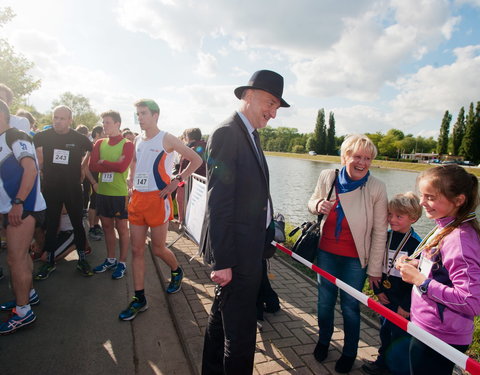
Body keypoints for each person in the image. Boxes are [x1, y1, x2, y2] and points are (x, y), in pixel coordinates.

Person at [200, 69, 290, 374]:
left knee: (220, 317)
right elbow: (218, 202)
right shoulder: (228, 133)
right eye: (270, 103)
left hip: (249, 250)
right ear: (248, 96)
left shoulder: (249, 134)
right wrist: (222, 261)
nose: (273, 113)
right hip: (236, 256)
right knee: (240, 336)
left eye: (277, 107)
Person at [308, 134, 388, 373]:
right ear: (345, 157)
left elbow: (380, 232)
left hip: (355, 259)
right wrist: (317, 204)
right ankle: (324, 341)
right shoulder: (328, 176)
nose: (362, 162)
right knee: (324, 303)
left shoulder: (376, 187)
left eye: (367, 158)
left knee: (351, 307)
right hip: (326, 253)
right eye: (357, 156)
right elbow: (311, 201)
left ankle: (350, 352)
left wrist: (374, 269)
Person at [118, 99, 202, 321]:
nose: (140, 118)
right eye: (138, 114)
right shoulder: (136, 139)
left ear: (155, 115)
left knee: (157, 249)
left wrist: (178, 180)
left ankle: (176, 270)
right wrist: (130, 179)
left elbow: (196, 159)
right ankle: (139, 299)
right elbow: (135, 162)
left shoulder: (167, 138)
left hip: (158, 200)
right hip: (137, 200)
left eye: (143, 113)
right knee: (136, 251)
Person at [396, 165, 480, 375]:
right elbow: (445, 270)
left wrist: (421, 281)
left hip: (441, 336)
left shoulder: (459, 239)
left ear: (458, 200)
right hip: (429, 328)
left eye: (430, 197)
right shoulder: (446, 225)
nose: (422, 202)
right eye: (422, 195)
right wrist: (419, 266)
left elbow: (471, 301)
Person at [362, 192, 422, 375]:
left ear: (413, 218)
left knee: (400, 336)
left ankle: (397, 370)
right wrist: (379, 291)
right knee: (385, 331)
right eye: (390, 214)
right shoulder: (384, 236)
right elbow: (376, 265)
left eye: (398, 216)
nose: (392, 219)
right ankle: (382, 363)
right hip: (386, 297)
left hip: (403, 302)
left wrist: (406, 305)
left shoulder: (416, 245)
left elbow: (418, 280)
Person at [0, 99, 46, 334]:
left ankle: (23, 311)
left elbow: (30, 169)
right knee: (21, 257)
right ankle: (27, 295)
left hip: (23, 208)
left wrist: (18, 202)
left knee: (15, 260)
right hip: (13, 208)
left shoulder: (15, 135)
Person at [33, 105, 94, 279]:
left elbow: (92, 148)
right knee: (51, 225)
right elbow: (35, 151)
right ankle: (49, 262)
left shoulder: (78, 137)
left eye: (62, 118)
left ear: (69, 120)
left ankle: (82, 260)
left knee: (77, 223)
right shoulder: (42, 136)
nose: (57, 121)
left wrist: (83, 166)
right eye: (55, 117)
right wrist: (42, 166)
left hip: (73, 188)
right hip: (51, 188)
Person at [89, 110, 133, 279]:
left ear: (117, 124)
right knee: (106, 226)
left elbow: (122, 168)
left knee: (121, 228)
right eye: (103, 122)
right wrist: (111, 164)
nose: (104, 125)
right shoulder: (100, 143)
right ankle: (110, 259)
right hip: (103, 192)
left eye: (107, 122)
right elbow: (93, 166)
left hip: (119, 194)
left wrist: (104, 162)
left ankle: (122, 262)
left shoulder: (127, 144)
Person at [176, 127, 206, 226]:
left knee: (181, 199)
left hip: (188, 181)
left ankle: (182, 221)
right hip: (202, 181)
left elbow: (185, 164)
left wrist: (179, 178)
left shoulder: (191, 148)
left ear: (188, 137)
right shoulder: (206, 146)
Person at [85, 125, 105, 241]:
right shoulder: (91, 146)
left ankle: (96, 225)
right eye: (104, 133)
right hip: (93, 180)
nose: (106, 134)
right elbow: (84, 167)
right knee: (93, 203)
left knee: (98, 203)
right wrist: (93, 182)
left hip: (101, 180)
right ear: (97, 133)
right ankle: (91, 227)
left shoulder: (103, 146)